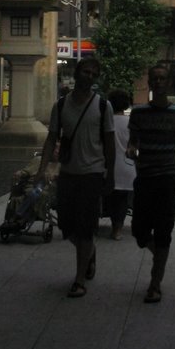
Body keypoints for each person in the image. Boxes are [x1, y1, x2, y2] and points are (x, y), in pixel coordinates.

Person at [35, 57, 115, 298]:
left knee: (86, 228)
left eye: (93, 73)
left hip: (92, 173)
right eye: (85, 72)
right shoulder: (61, 105)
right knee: (66, 226)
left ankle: (79, 279)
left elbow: (110, 142)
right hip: (68, 172)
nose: (89, 77)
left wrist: (111, 174)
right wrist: (42, 169)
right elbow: (51, 138)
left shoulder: (102, 106)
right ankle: (89, 252)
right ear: (77, 73)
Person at [127, 64, 175, 304]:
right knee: (139, 232)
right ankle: (160, 254)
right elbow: (133, 142)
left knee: (164, 229)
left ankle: (155, 282)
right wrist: (131, 150)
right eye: (156, 78)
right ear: (150, 83)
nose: (160, 82)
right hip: (144, 177)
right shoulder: (138, 113)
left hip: (167, 178)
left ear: (169, 82)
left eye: (163, 78)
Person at [104, 89, 135, 241]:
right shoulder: (131, 123)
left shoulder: (104, 122)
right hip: (127, 167)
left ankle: (112, 223)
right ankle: (117, 229)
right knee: (123, 200)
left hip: (107, 166)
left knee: (110, 197)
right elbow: (134, 147)